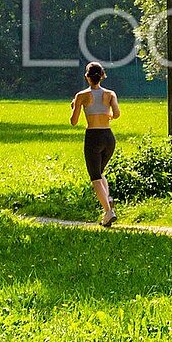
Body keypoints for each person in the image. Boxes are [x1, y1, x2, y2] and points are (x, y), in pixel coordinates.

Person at [70, 61, 120, 227]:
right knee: (100, 172)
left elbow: (74, 121)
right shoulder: (111, 94)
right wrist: (107, 115)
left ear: (87, 77)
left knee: (95, 177)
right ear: (102, 76)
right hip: (108, 137)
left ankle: (108, 211)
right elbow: (117, 113)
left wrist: (74, 106)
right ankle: (108, 199)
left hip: (93, 137)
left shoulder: (81, 96)